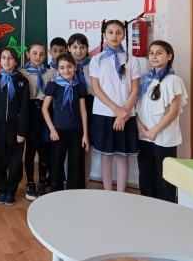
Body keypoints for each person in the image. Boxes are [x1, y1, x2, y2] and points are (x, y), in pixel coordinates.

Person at [89, 20, 141, 192]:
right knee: (106, 157)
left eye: (118, 32)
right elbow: (96, 88)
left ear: (124, 35)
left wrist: (122, 114)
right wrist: (117, 110)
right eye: (110, 32)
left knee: (122, 156)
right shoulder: (96, 60)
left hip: (126, 115)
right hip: (104, 113)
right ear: (104, 35)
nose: (114, 36)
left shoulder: (132, 60)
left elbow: (135, 90)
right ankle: (107, 193)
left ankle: (121, 194)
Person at [136, 41, 187, 202]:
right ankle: (147, 204)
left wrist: (155, 131)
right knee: (146, 173)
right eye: (151, 53)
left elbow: (173, 111)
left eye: (159, 53)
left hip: (163, 137)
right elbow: (137, 106)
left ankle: (165, 208)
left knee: (164, 177)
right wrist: (139, 125)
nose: (154, 56)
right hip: (144, 135)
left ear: (169, 56)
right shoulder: (145, 78)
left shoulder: (173, 80)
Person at [0, 47, 29, 206]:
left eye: (10, 58)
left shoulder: (22, 81)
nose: (7, 61)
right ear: (0, 60)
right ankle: (1, 189)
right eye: (3, 57)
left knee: (15, 162)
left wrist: (22, 130)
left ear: (15, 61)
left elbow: (24, 108)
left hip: (15, 128)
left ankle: (11, 190)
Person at [42, 53, 89, 192]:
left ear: (75, 67)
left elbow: (83, 111)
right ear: (57, 70)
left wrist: (85, 135)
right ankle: (56, 192)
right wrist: (52, 129)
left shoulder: (79, 86)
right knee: (57, 163)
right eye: (62, 67)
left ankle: (75, 193)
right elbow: (44, 109)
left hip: (76, 130)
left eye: (69, 66)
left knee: (76, 164)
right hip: (58, 130)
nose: (66, 70)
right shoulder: (53, 86)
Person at [18, 41, 54, 199]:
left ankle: (42, 182)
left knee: (44, 150)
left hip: (46, 113)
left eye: (41, 54)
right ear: (28, 54)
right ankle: (30, 182)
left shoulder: (51, 73)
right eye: (34, 53)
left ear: (45, 55)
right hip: (29, 112)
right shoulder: (21, 73)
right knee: (30, 149)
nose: (38, 57)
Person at [67, 33, 95, 186]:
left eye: (82, 47)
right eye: (75, 47)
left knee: (86, 145)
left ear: (87, 49)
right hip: (69, 106)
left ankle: (84, 182)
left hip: (89, 105)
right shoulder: (63, 66)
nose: (78, 51)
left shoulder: (94, 65)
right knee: (69, 145)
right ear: (69, 48)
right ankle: (69, 180)